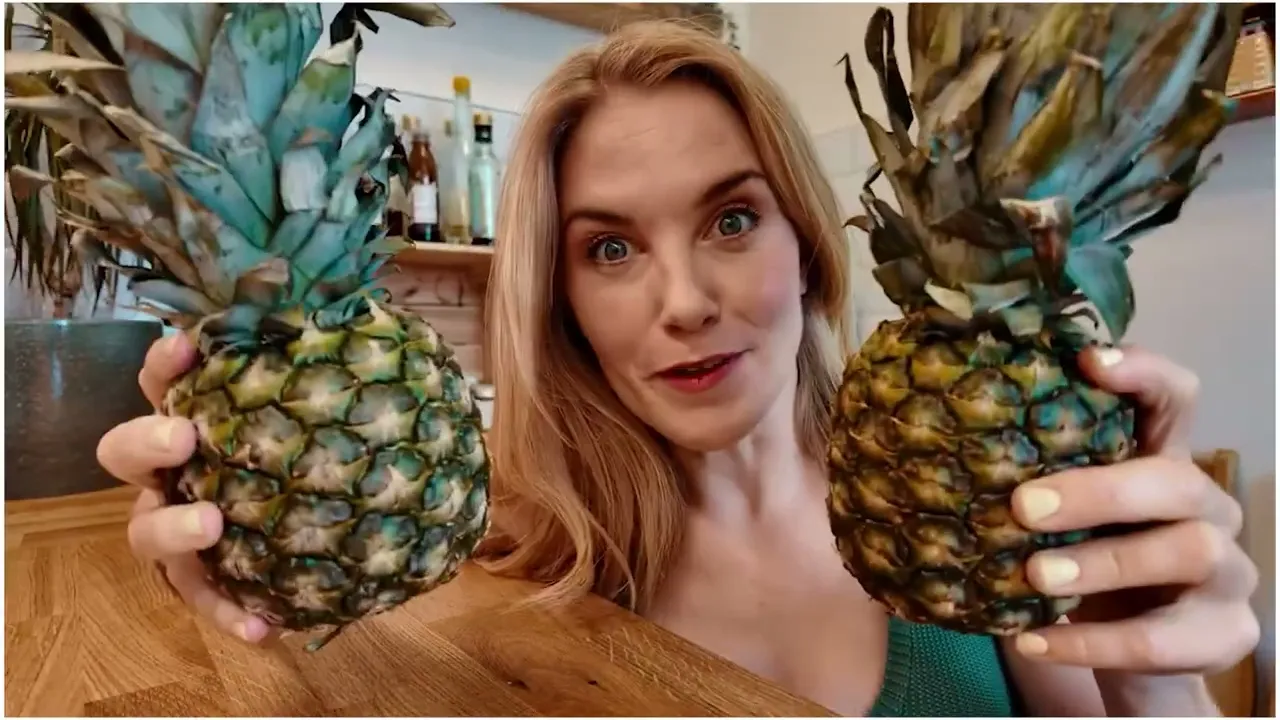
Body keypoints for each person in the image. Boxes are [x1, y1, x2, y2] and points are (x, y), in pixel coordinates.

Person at [96, 19, 1258, 717]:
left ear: (808, 241)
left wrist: (1152, 672)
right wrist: (256, 555)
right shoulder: (489, 560)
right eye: (608, 248)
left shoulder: (980, 506)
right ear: (557, 297)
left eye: (731, 220)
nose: (686, 303)